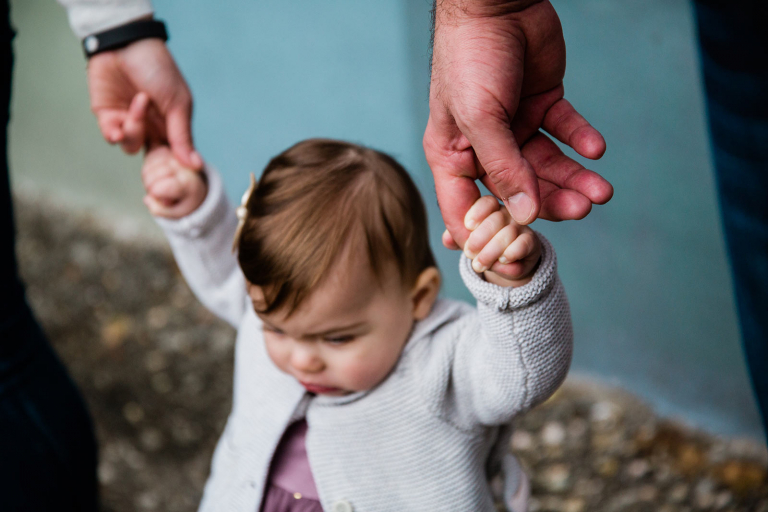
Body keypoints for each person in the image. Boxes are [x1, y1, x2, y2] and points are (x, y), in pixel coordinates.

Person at [140, 136, 573, 511]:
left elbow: (522, 376)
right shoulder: (270, 311)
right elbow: (226, 278)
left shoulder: (443, 361)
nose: (302, 359)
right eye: (275, 329)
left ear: (418, 297)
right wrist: (192, 215)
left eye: (337, 337)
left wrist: (514, 289)